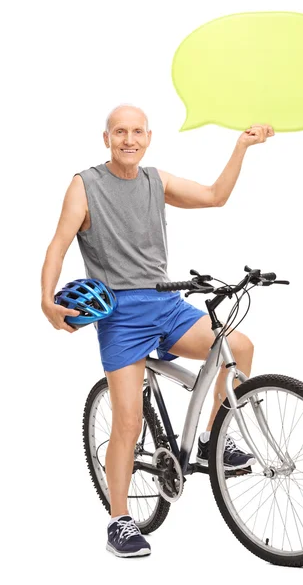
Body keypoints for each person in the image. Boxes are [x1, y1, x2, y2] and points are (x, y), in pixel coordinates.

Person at [41, 104, 275, 558]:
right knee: (128, 422)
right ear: (106, 138)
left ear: (149, 137)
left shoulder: (155, 180)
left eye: (137, 132)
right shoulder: (84, 184)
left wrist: (241, 146)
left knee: (238, 346)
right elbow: (59, 243)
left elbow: (214, 196)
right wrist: (46, 302)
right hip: (121, 316)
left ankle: (211, 438)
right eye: (120, 132)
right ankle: (119, 520)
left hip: (167, 302)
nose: (129, 139)